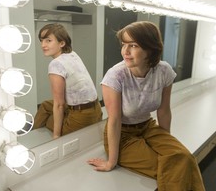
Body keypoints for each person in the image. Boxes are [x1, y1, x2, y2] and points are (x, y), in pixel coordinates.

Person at [87, 21, 205, 191]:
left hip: (148, 127)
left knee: (183, 157)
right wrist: (111, 162)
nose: (125, 51)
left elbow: (164, 110)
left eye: (133, 45)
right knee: (172, 168)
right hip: (123, 135)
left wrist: (167, 144)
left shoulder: (164, 71)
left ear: (150, 48)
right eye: (123, 44)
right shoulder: (115, 76)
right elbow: (114, 120)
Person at [33, 23, 102, 139]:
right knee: (45, 105)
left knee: (48, 119)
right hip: (96, 110)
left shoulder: (55, 64)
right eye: (41, 40)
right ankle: (32, 134)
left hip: (81, 118)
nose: (43, 45)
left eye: (48, 41)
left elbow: (59, 104)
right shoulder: (72, 54)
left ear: (62, 43)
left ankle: (32, 138)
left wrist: (56, 136)